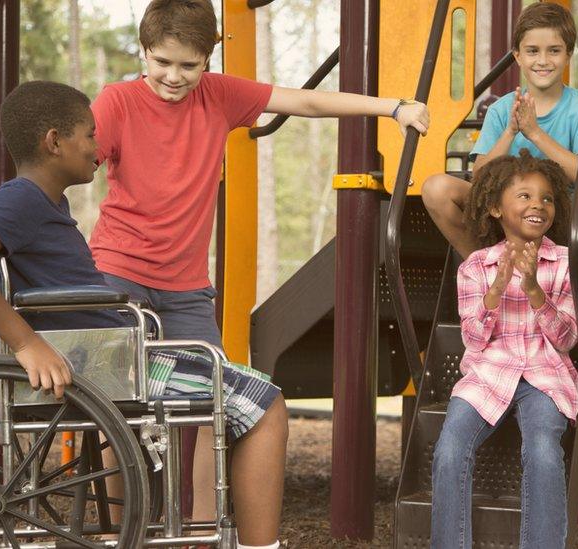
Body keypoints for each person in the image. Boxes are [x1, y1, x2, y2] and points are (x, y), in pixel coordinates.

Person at [87, 0, 429, 533]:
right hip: (118, 270)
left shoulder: (220, 95)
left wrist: (393, 107)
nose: (174, 77)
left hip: (184, 287)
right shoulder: (118, 101)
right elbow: (73, 159)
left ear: (209, 59)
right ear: (143, 51)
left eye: (188, 65)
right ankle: (119, 528)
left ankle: (199, 530)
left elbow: (306, 101)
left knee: (211, 410)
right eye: (162, 62)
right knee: (119, 406)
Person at [0, 81, 288, 549]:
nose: (99, 147)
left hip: (114, 356)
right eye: (90, 135)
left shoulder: (37, 201)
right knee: (263, 405)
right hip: (107, 367)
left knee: (246, 389)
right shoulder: (22, 200)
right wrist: (25, 342)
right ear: (54, 142)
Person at [430, 150, 578, 549]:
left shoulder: (569, 266)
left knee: (542, 451)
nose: (538, 204)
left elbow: (568, 339)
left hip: (545, 377)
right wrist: (498, 288)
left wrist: (535, 289)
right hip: (488, 374)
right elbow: (474, 339)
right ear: (496, 209)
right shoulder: (476, 267)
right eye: (524, 196)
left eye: (547, 198)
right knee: (449, 449)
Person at [421, 1, 578, 268]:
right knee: (436, 188)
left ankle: (576, 273)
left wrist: (534, 132)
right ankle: (486, 266)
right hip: (509, 213)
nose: (543, 61)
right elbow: (479, 178)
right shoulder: (501, 110)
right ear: (518, 56)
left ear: (568, 55)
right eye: (532, 51)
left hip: (563, 211)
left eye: (553, 51)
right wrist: (510, 131)